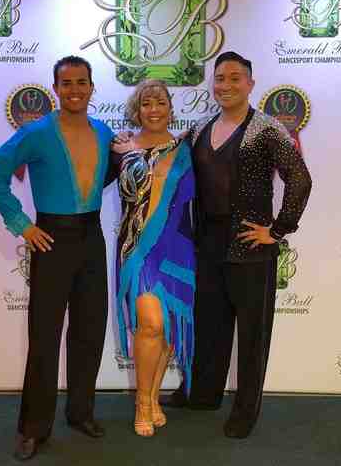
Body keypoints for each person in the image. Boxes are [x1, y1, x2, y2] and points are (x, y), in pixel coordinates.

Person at [160, 51, 312, 438]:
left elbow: (299, 178)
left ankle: (246, 410)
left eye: (234, 78)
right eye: (219, 78)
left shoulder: (267, 129)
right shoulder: (199, 129)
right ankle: (202, 394)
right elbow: (165, 157)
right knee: (209, 324)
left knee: (252, 333)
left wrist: (277, 230)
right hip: (207, 243)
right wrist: (131, 146)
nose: (225, 85)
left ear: (250, 83)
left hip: (250, 246)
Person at [0, 56, 114, 460]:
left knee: (90, 330)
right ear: (55, 89)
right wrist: (22, 224)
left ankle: (80, 413)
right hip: (51, 239)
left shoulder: (104, 132)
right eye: (66, 83)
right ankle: (33, 428)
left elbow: (108, 173)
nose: (74, 89)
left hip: (92, 237)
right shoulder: (36, 133)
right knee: (44, 336)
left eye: (81, 82)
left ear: (92, 87)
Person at [111, 79, 195, 437]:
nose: (154, 109)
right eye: (146, 103)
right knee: (150, 325)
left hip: (179, 246)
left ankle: (153, 396)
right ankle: (142, 404)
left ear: (170, 109)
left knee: (168, 330)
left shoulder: (187, 148)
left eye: (160, 102)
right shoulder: (121, 147)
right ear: (137, 109)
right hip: (138, 247)